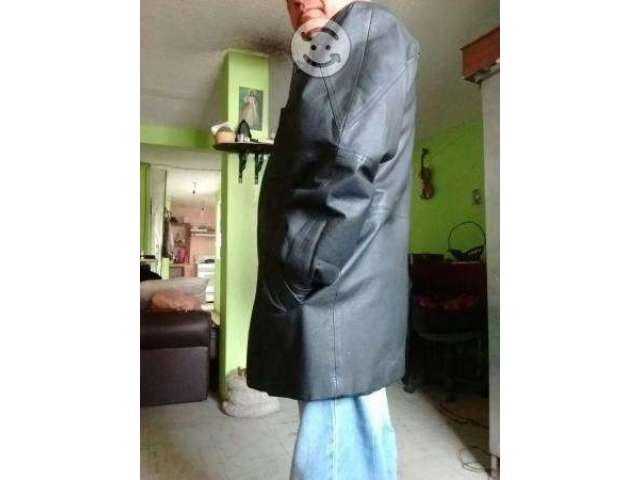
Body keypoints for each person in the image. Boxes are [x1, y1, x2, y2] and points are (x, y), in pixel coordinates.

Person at [246, 1, 419, 478]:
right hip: (342, 294)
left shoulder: (364, 28)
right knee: (353, 443)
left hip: (332, 298)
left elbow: (344, 170)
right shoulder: (335, 47)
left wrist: (294, 276)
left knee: (339, 451)